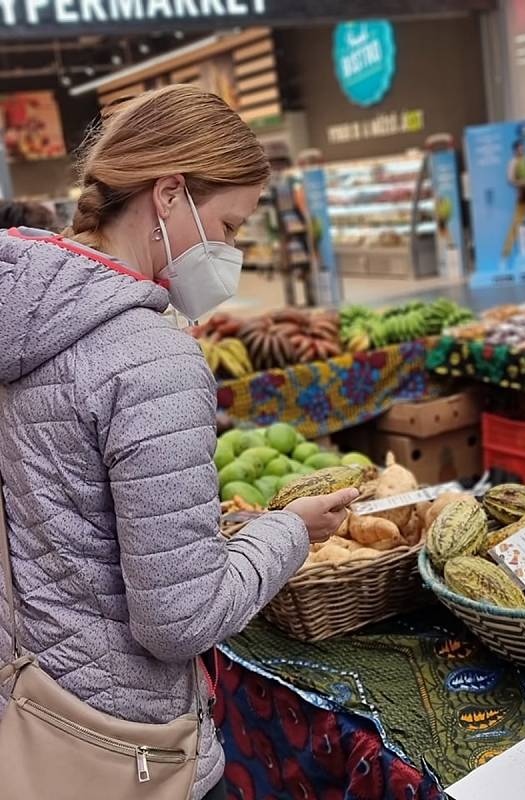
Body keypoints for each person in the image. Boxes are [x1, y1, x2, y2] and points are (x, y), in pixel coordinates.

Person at [0, 85, 358, 799]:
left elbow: (71, 518)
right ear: (168, 195)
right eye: (228, 224)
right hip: (125, 738)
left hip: (37, 693)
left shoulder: (26, 314)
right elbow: (179, 619)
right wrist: (291, 531)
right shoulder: (152, 358)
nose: (230, 251)